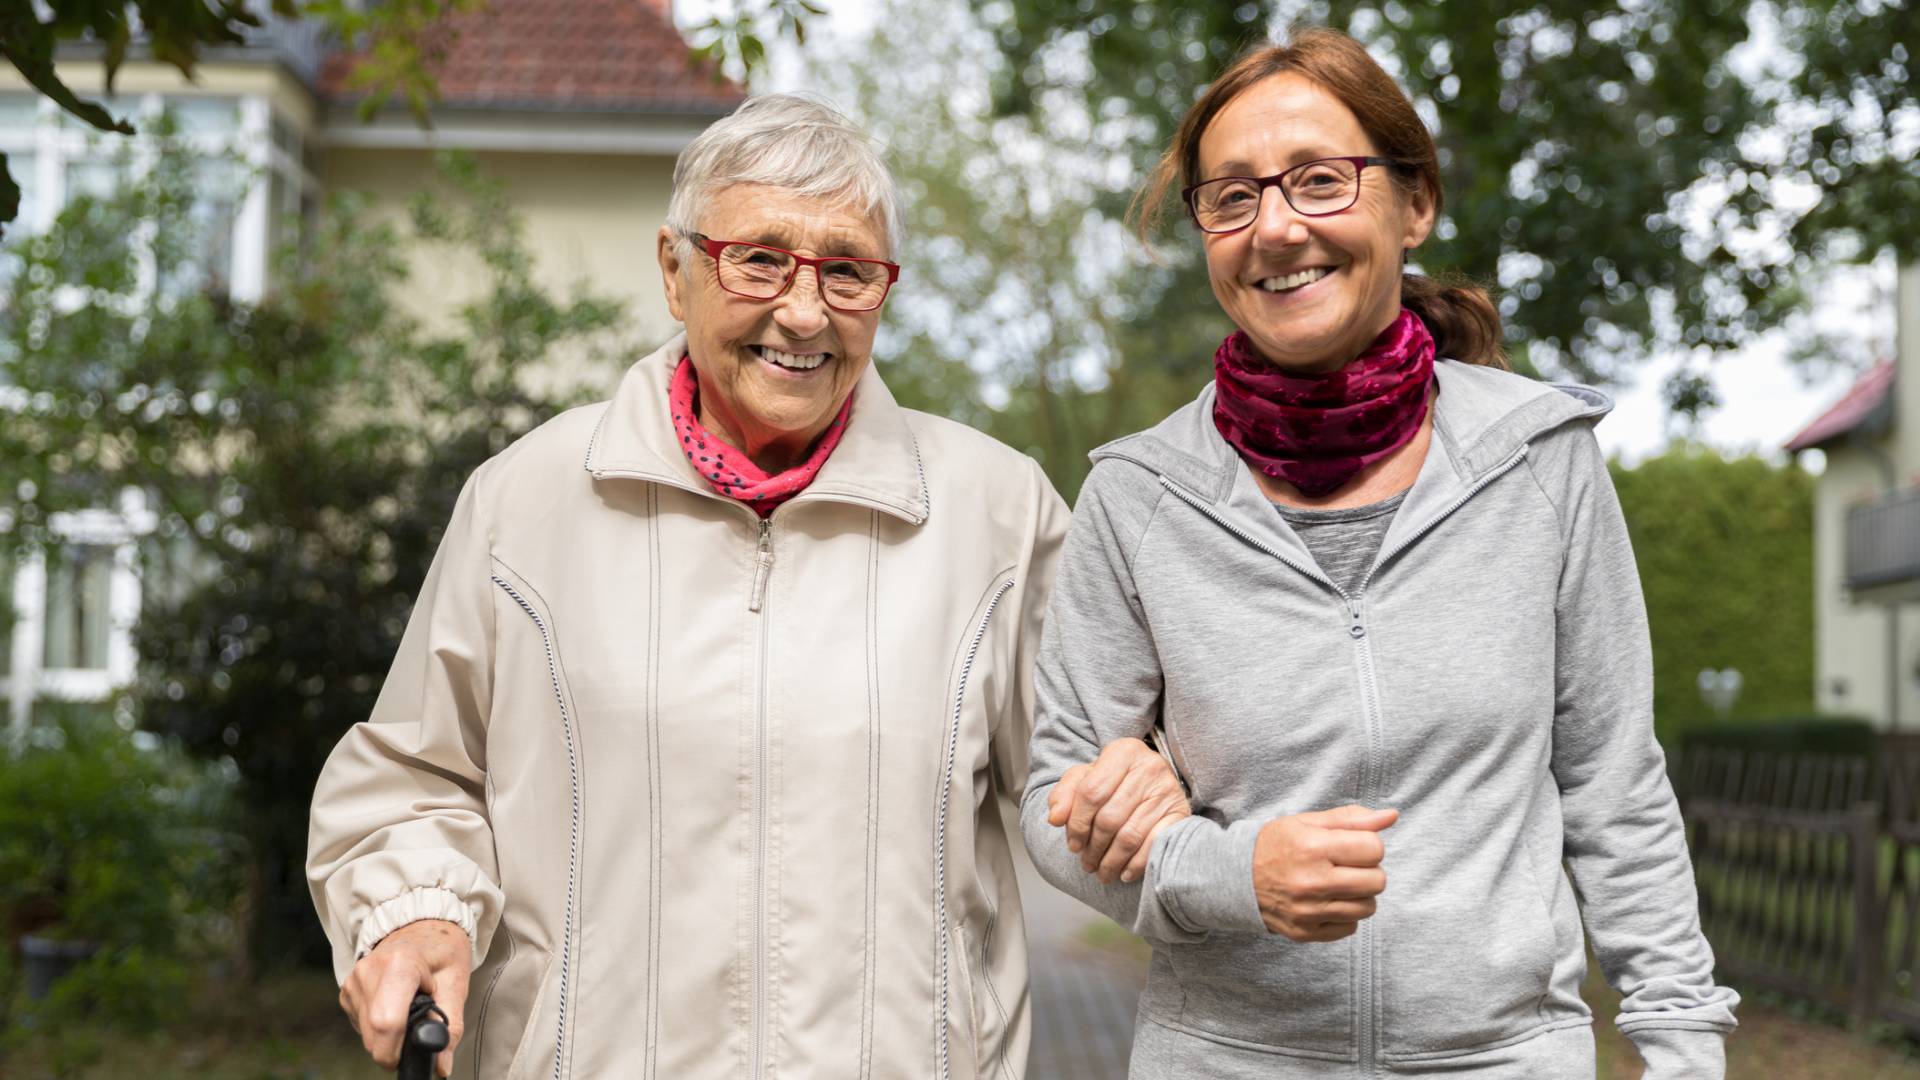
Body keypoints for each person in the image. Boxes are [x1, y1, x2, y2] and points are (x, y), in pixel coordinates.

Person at [1020, 28, 1738, 1080]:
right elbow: (1056, 800)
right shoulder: (1137, 497)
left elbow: (1613, 784)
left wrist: (1683, 1049)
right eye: (1231, 196)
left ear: (1415, 204)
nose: (1276, 227)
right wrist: (1229, 874)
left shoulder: (1540, 460)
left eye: (1320, 180)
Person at [308, 93, 1067, 1079]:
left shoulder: (997, 515)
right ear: (676, 270)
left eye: (847, 272)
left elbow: (1098, 789)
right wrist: (414, 908)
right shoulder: (523, 503)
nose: (805, 312)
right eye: (760, 259)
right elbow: (416, 778)